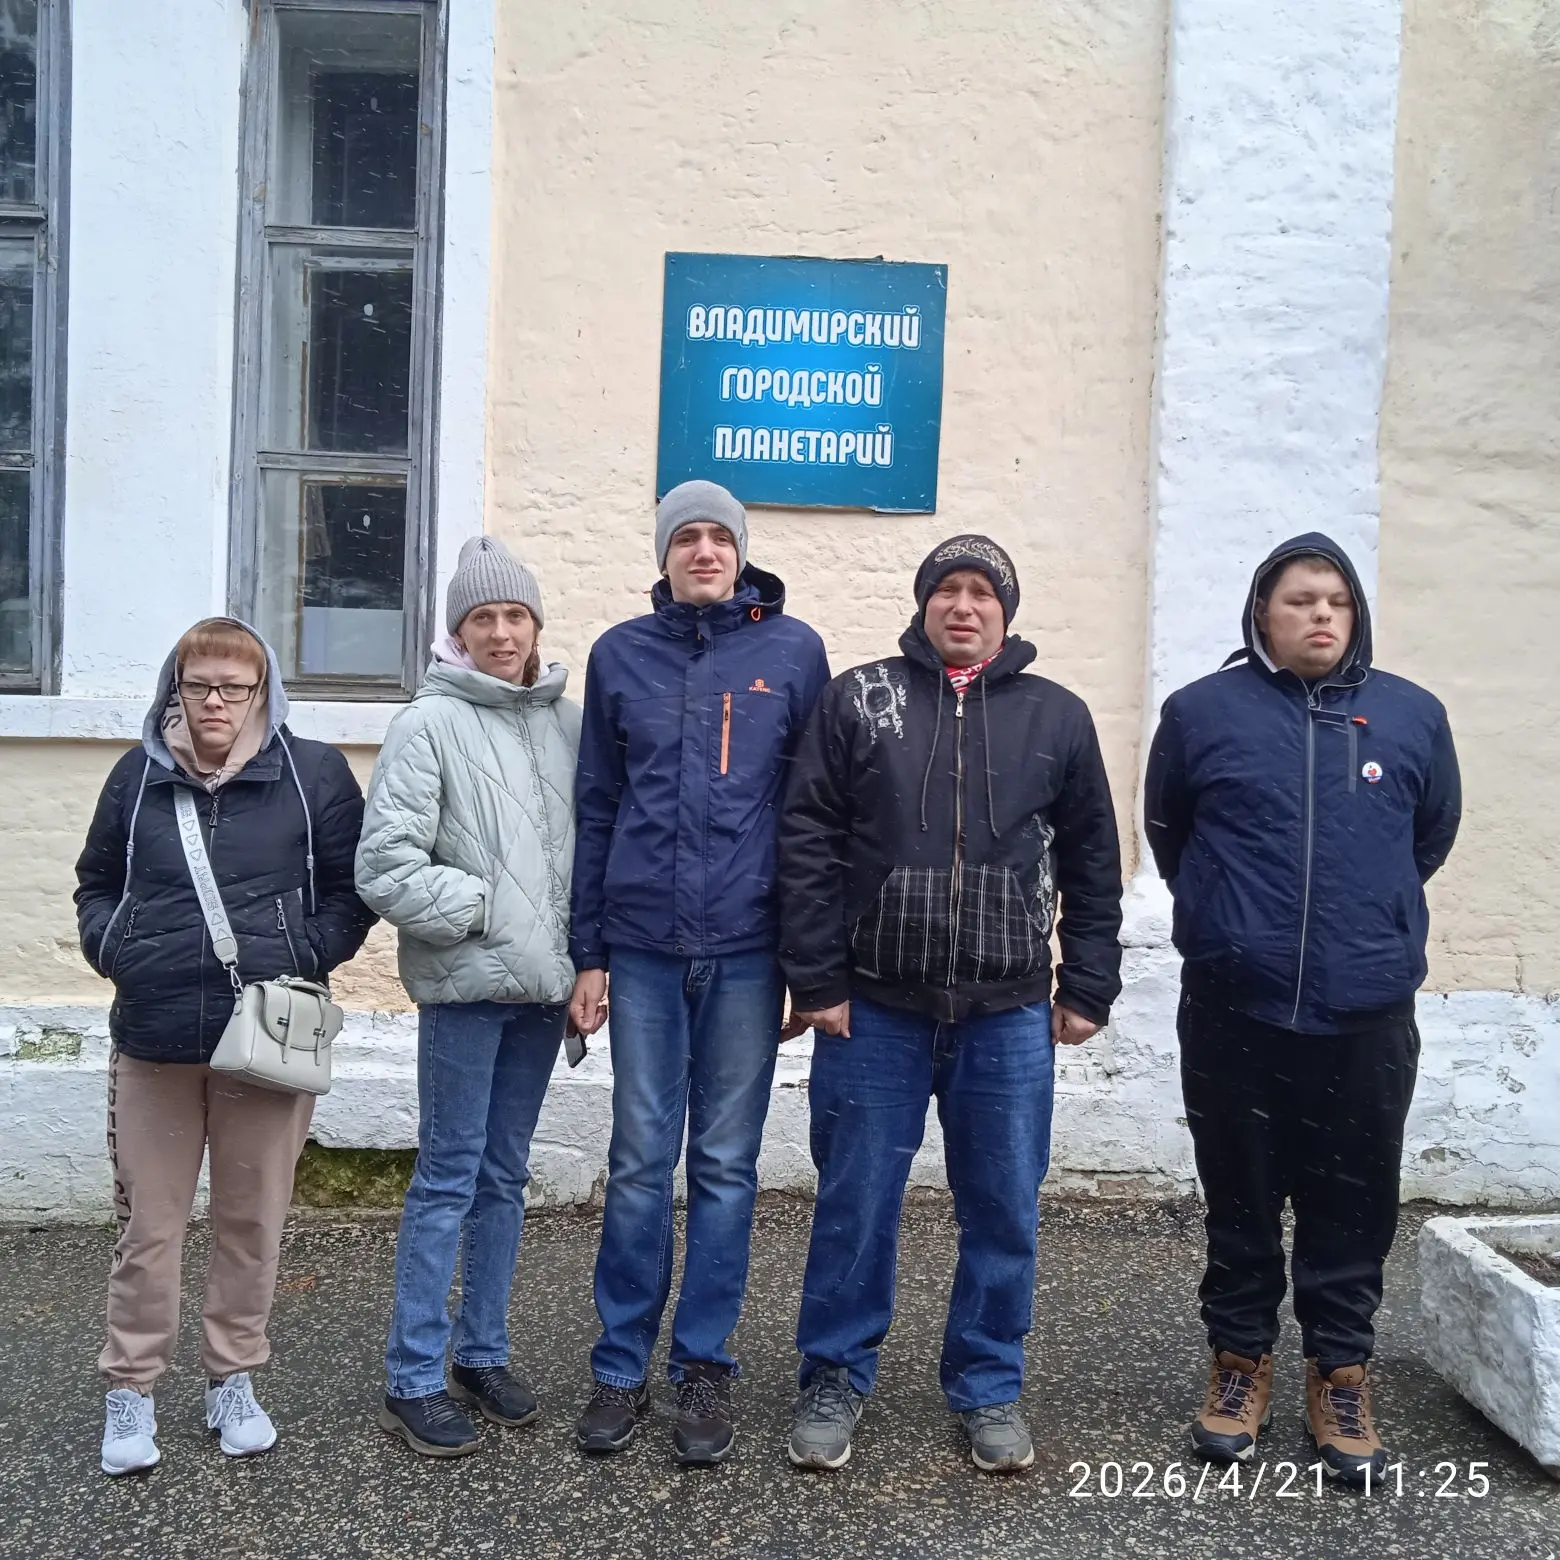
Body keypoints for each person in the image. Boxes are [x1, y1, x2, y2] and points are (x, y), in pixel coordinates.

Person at [778, 535, 1124, 1474]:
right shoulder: (860, 699)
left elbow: (1093, 858)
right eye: (947, 591)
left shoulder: (1056, 715)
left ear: (1006, 614)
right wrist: (818, 981)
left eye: (981, 594)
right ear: (923, 603)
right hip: (875, 1009)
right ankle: (834, 1375)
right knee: (855, 1202)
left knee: (1004, 1208)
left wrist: (1087, 982)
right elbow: (807, 839)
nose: (963, 606)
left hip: (1008, 1012)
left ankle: (989, 1383)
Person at [1144, 533, 1461, 1488]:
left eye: (1337, 601)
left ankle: (1341, 1374)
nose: (1322, 615)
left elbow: (1430, 836)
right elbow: (1170, 832)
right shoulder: (1202, 712)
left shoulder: (1411, 715)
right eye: (1300, 600)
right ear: (1262, 613)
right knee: (1240, 1197)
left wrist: (1369, 924)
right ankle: (1240, 1363)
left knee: (1353, 1203)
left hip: (1364, 1012)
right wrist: (1230, 924)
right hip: (1235, 1009)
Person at [568, 479, 830, 1466]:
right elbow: (597, 807)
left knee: (723, 1165)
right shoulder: (621, 655)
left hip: (749, 954)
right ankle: (620, 1365)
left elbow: (813, 816)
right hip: (640, 950)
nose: (705, 551)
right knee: (640, 1161)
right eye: (687, 537)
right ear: (666, 556)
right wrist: (588, 953)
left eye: (721, 536)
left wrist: (809, 961)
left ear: (742, 553)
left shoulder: (793, 654)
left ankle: (704, 1364)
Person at [75, 617, 374, 1476]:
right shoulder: (137, 776)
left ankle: (232, 1378)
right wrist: (116, 947)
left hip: (269, 1038)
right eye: (197, 684)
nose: (215, 701)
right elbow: (96, 883)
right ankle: (131, 1390)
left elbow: (352, 892)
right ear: (173, 689)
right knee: (149, 1227)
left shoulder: (313, 774)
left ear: (262, 692)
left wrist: (304, 952)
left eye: (233, 687)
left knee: (252, 1220)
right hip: (155, 1037)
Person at [357, 537, 581, 1458]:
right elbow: (385, 865)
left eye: (514, 615)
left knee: (504, 1177)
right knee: (448, 1175)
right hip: (466, 988)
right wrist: (487, 910)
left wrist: (581, 958)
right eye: (482, 618)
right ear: (458, 632)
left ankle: (481, 1353)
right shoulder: (428, 723)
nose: (501, 632)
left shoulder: (565, 724)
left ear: (535, 626)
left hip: (542, 995)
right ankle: (413, 1374)